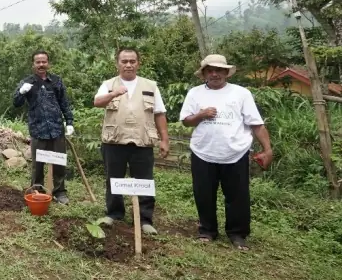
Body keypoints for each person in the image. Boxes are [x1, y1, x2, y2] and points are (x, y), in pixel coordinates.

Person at [180, 54, 273, 251]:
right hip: (203, 151)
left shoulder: (241, 94)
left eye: (219, 70)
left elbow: (256, 123)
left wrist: (267, 149)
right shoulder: (194, 93)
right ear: (204, 73)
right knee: (203, 194)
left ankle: (237, 234)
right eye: (210, 70)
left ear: (226, 73)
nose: (215, 74)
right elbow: (186, 121)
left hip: (235, 153)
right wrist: (201, 115)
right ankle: (207, 230)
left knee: (238, 195)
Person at [93, 48, 169, 235]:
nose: (128, 65)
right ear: (117, 63)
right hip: (114, 141)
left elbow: (159, 113)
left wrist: (164, 139)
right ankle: (114, 213)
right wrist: (113, 94)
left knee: (145, 180)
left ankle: (145, 219)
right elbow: (97, 102)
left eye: (132, 61)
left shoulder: (150, 85)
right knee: (113, 178)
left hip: (142, 141)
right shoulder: (108, 84)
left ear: (138, 63)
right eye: (124, 61)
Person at [13, 50, 75, 203]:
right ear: (33, 64)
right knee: (38, 164)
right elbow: (16, 103)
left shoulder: (56, 81)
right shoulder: (27, 82)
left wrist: (70, 122)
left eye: (44, 62)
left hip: (56, 129)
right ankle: (37, 190)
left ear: (48, 63)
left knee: (59, 162)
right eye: (38, 62)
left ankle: (60, 192)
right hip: (38, 129)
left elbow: (64, 102)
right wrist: (21, 92)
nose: (41, 65)